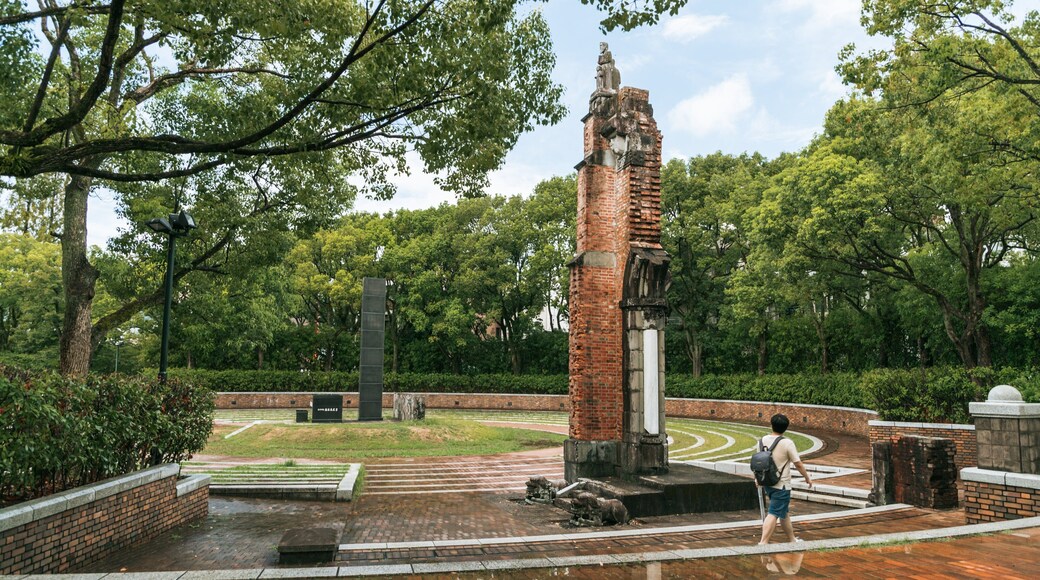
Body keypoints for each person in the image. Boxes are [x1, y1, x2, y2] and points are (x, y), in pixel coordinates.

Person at [758, 413, 813, 545]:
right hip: (781, 484)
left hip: (767, 482)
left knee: (784, 512)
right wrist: (807, 477)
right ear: (786, 428)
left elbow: (759, 461)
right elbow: (798, 463)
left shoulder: (762, 440)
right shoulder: (787, 443)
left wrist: (757, 479)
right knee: (774, 513)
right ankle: (762, 543)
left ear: (771, 425)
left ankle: (792, 539)